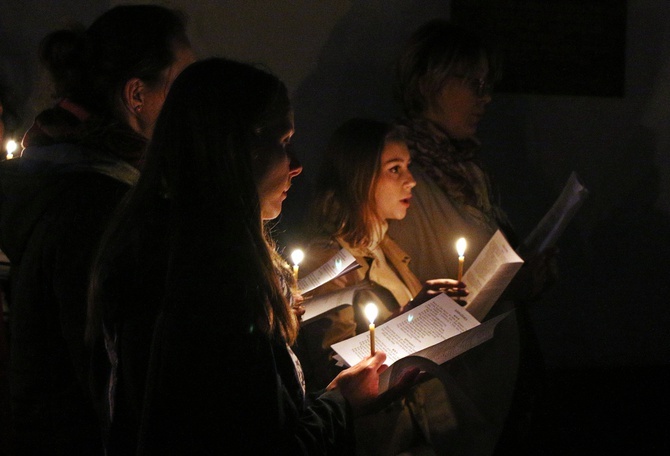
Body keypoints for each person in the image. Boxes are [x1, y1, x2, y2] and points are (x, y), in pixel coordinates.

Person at [86, 58, 395, 455]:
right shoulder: (214, 280)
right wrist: (341, 405)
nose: (298, 166)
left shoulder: (150, 241)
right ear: (237, 149)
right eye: (283, 143)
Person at [0, 5, 195, 455]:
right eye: (180, 86)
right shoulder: (100, 205)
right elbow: (113, 374)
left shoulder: (69, 176)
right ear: (136, 95)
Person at [387, 19, 556, 453]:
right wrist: (507, 286)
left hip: (504, 366)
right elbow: (426, 282)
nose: (486, 98)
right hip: (461, 388)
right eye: (473, 83)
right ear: (429, 82)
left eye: (488, 84)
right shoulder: (406, 176)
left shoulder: (468, 169)